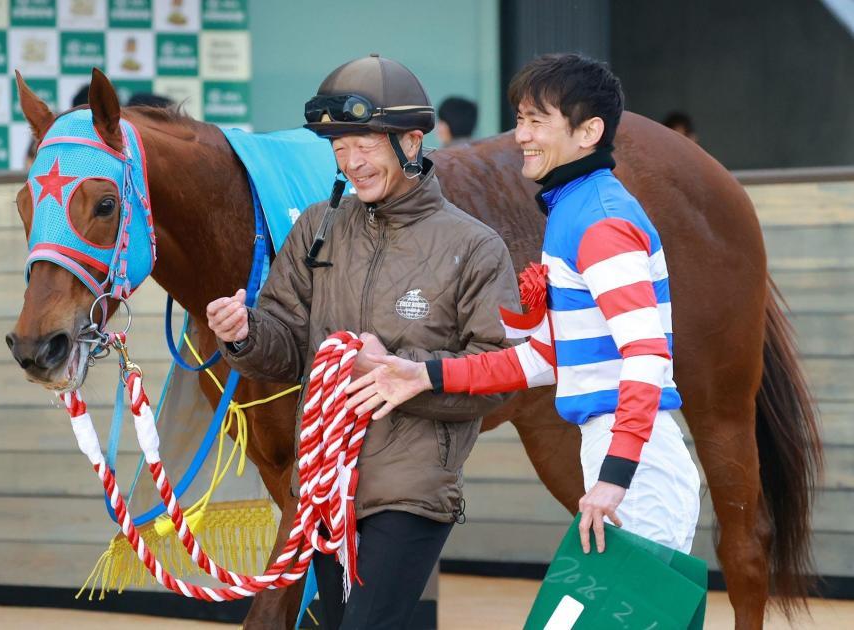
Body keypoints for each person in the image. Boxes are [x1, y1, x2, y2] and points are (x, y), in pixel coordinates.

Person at [205, 54, 519, 629]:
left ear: (412, 141)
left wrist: (399, 373)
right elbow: (288, 345)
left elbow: (498, 372)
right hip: (326, 484)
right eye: (340, 148)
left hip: (412, 488)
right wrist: (246, 333)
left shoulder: (475, 247)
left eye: (366, 145)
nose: (351, 162)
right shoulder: (317, 229)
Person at [347, 53, 701, 558]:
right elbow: (541, 357)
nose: (521, 136)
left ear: (589, 132)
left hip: (632, 461)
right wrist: (421, 376)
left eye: (538, 121)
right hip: (619, 451)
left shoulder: (599, 219)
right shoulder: (573, 206)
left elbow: (646, 355)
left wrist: (615, 477)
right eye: (519, 119)